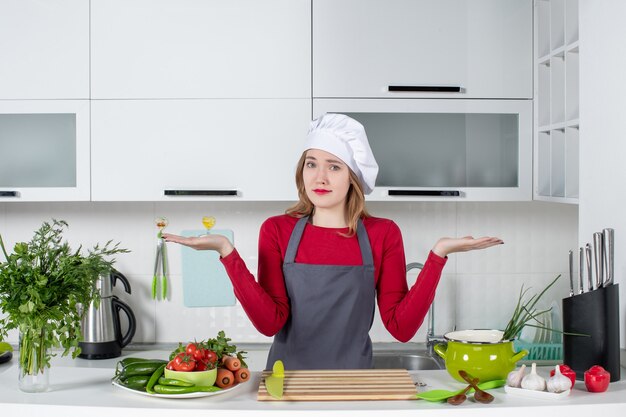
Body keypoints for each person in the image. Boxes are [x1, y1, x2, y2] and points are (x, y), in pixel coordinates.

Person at [162, 113, 503, 370]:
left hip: (353, 385)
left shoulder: (382, 234)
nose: (320, 177)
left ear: (353, 177)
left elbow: (401, 328)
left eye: (334, 167)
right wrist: (226, 252)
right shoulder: (277, 230)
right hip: (285, 383)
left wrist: (438, 255)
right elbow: (270, 323)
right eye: (312, 164)